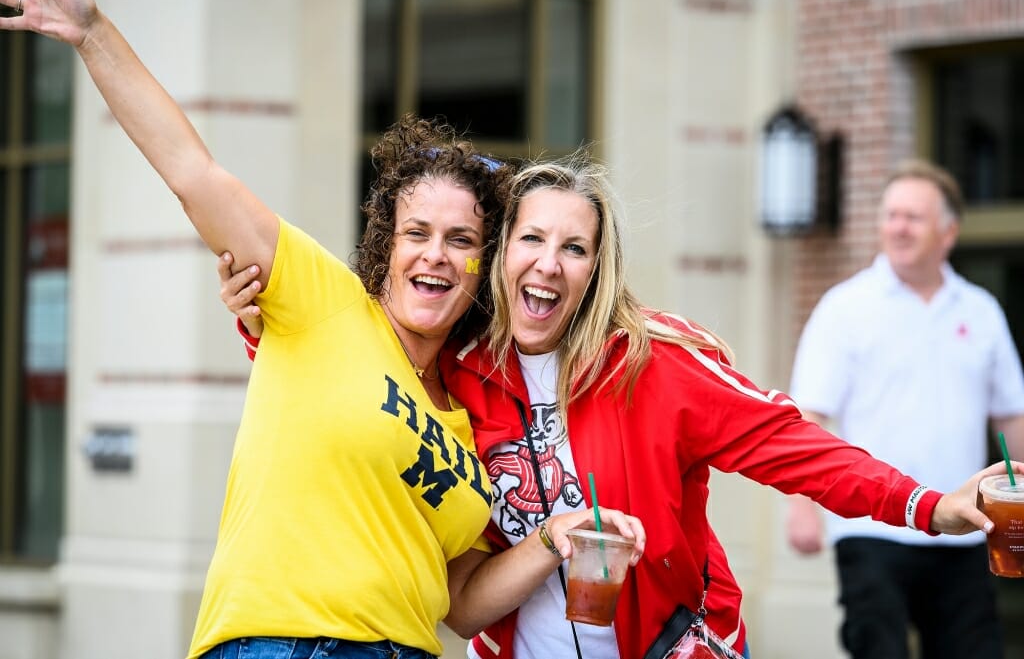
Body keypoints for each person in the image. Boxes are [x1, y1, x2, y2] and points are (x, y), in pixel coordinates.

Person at [0, 0, 648, 659]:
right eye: (416, 232)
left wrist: (551, 537)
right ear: (383, 249)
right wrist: (93, 31)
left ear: (483, 268)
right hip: (285, 644)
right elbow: (194, 173)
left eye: (461, 240)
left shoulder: (466, 418)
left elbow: (462, 605)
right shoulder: (325, 303)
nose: (435, 253)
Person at [222, 154, 1023, 659]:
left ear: (595, 268)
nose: (549, 263)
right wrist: (260, 321)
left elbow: (793, 444)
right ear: (502, 254)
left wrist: (927, 503)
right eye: (532, 240)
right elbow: (355, 375)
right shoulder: (458, 375)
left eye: (574, 247)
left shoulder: (656, 365)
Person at [785, 159, 1024, 659]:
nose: (898, 226)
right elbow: (807, 417)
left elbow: (1011, 417)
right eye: (891, 214)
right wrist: (801, 508)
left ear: (948, 232)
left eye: (913, 217)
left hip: (964, 529)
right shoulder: (844, 307)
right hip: (870, 527)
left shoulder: (981, 310)